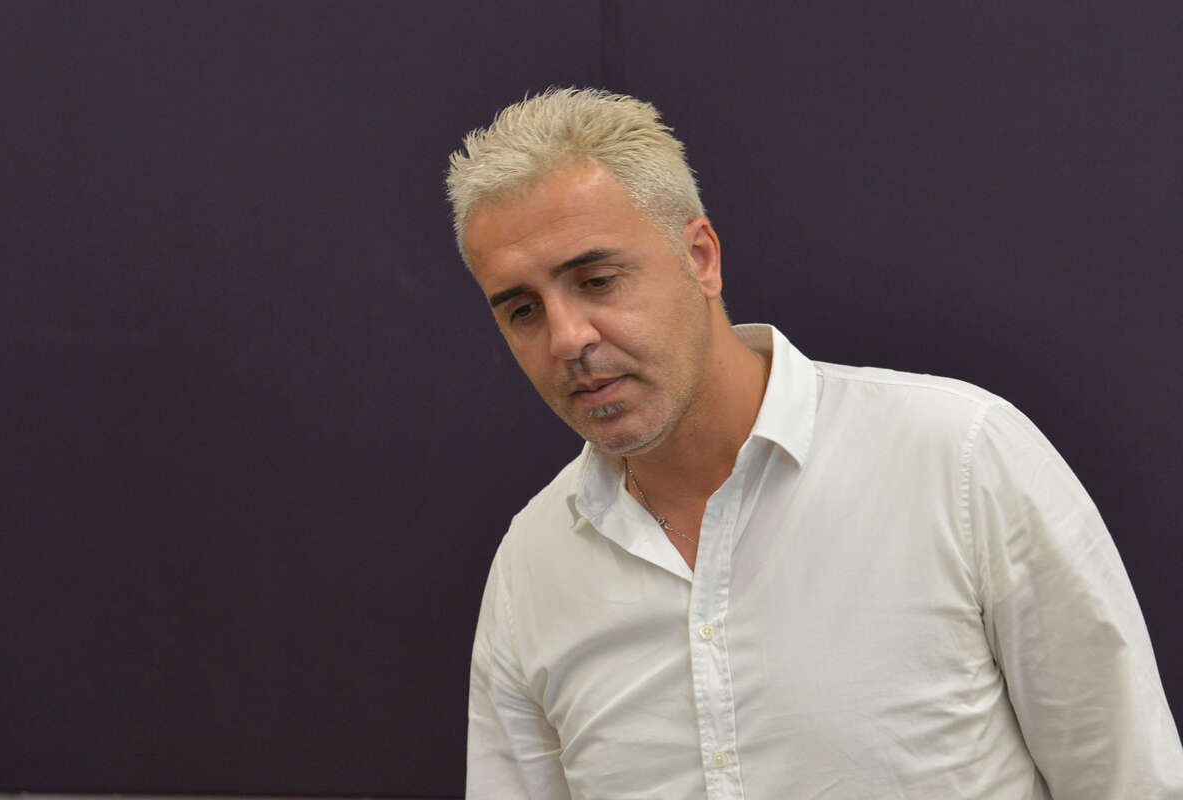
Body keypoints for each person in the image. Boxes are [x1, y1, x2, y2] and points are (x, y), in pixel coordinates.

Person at [445, 87, 1183, 799]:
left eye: (598, 280)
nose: (567, 338)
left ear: (700, 257)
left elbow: (1130, 782)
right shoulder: (532, 567)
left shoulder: (957, 460)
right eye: (522, 310)